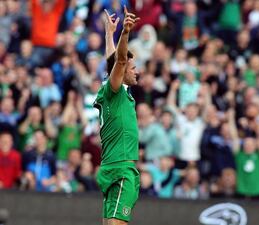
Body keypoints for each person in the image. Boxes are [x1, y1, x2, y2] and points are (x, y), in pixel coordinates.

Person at [94, 7, 141, 225]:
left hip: (111, 167)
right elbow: (119, 62)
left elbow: (112, 61)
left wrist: (108, 35)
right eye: (133, 68)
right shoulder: (114, 90)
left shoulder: (111, 89)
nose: (136, 71)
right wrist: (124, 32)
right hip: (121, 169)